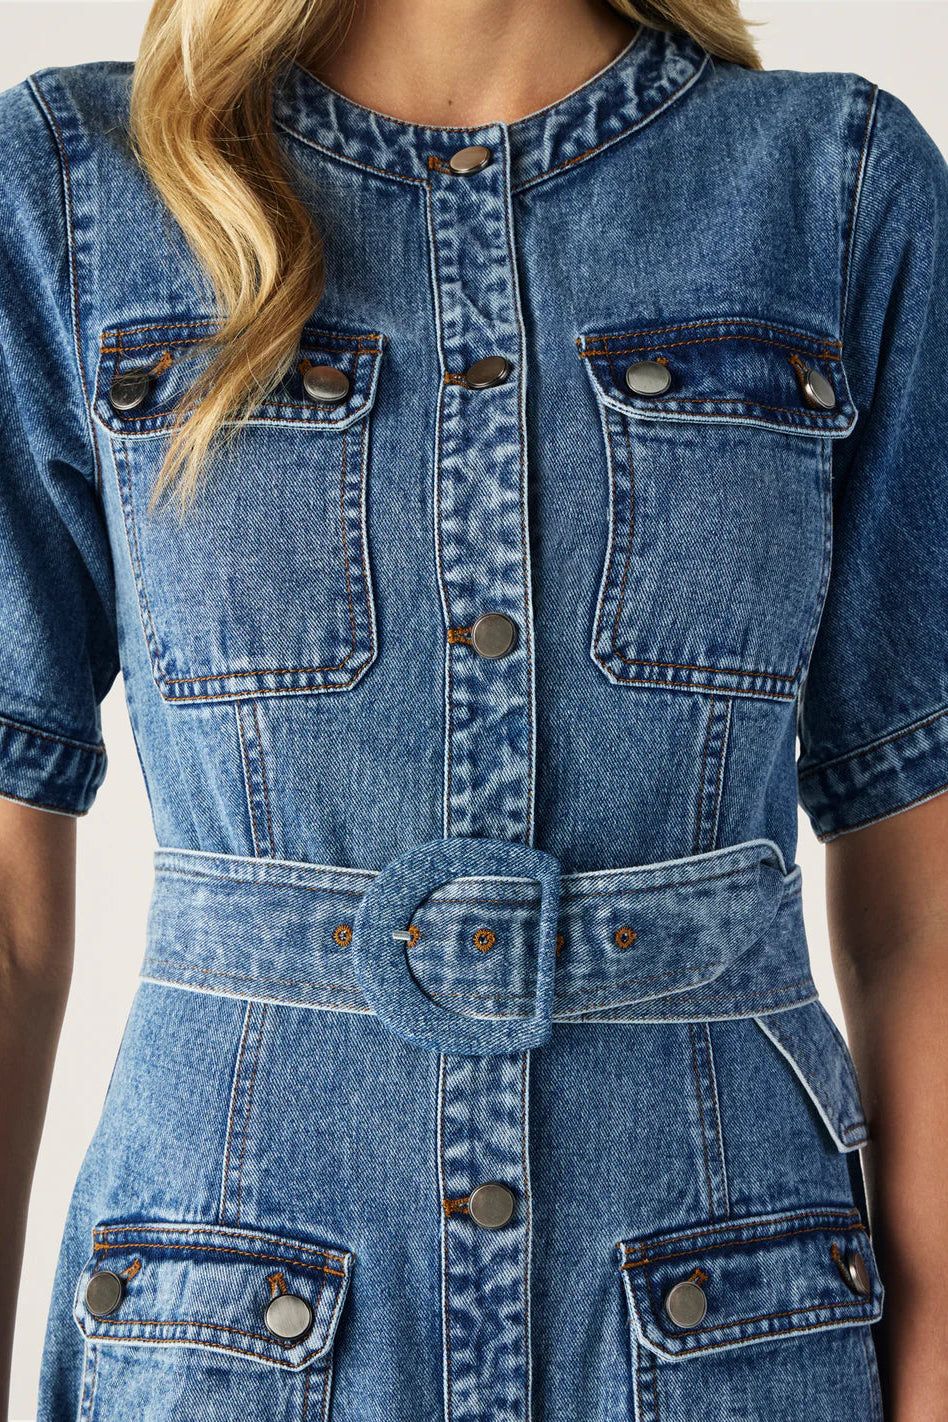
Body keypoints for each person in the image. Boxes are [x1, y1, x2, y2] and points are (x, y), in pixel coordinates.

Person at [1, 0, 946, 1415]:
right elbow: (12, 927)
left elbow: (922, 902)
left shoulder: (837, 183)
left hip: (730, 1325)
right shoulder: (77, 185)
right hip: (220, 1334)